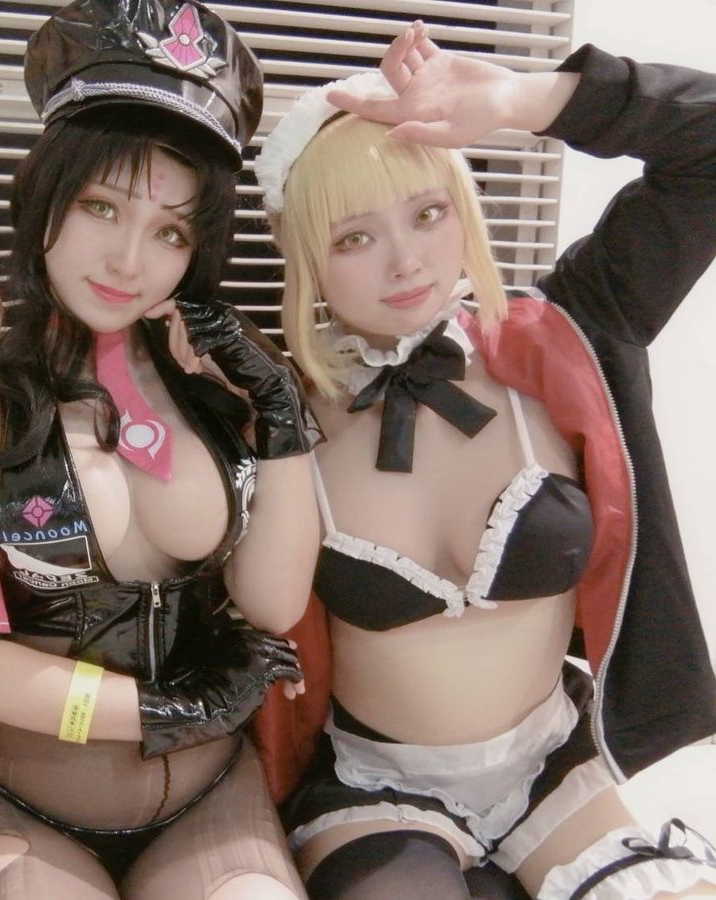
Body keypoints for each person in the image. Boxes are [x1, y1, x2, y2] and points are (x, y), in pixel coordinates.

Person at [253, 21, 716, 900]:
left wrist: (522, 99)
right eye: (354, 237)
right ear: (305, 257)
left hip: (557, 769)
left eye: (427, 214)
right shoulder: (276, 421)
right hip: (376, 790)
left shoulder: (571, 337)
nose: (406, 261)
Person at [0, 1, 322, 897]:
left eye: (171, 231)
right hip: (21, 804)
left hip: (212, 797)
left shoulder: (211, 381)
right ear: (44, 196)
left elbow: (273, 603)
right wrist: (171, 709)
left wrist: (281, 411)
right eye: (102, 207)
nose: (130, 260)